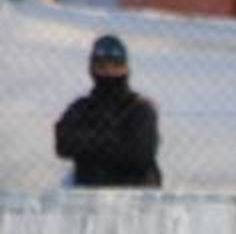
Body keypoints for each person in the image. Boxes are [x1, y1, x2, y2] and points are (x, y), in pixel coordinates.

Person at [54, 34, 163, 188]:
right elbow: (63, 144)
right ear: (92, 69)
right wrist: (118, 139)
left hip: (136, 194)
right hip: (89, 193)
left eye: (115, 66)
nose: (109, 72)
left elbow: (140, 153)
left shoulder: (140, 108)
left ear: (126, 69)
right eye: (102, 66)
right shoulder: (81, 107)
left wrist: (89, 142)